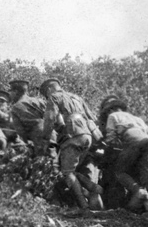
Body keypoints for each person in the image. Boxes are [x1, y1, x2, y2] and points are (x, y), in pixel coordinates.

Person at [43, 78, 105, 210]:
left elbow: (50, 119)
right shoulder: (76, 97)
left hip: (72, 136)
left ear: (49, 90)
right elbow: (92, 118)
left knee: (67, 173)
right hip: (87, 136)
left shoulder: (53, 97)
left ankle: (84, 207)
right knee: (71, 170)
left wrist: (45, 139)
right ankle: (92, 186)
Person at [98, 95, 148, 218]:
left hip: (133, 142)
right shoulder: (137, 119)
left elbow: (111, 137)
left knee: (119, 172)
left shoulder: (113, 116)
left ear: (110, 110)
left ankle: (138, 192)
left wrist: (106, 147)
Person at [9, 79, 52, 156]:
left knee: (42, 163)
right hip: (51, 133)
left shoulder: (15, 108)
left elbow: (21, 132)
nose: (10, 94)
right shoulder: (39, 101)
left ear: (15, 92)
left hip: (38, 138)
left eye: (10, 91)